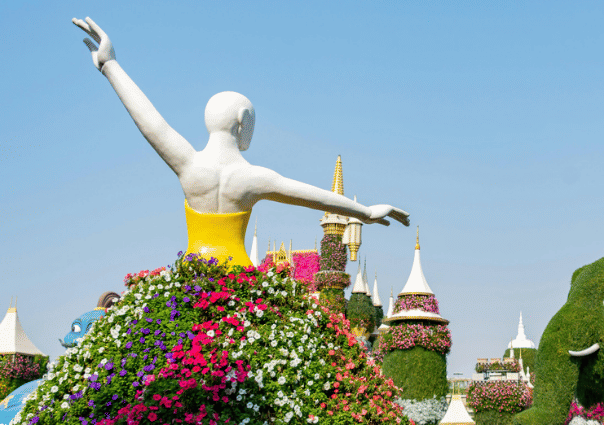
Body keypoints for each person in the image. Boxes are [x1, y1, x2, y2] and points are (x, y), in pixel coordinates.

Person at [73, 17, 409, 266]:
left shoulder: (189, 165)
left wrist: (110, 66)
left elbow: (151, 122)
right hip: (239, 285)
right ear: (241, 122)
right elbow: (316, 197)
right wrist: (364, 212)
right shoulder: (253, 179)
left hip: (192, 281)